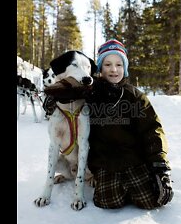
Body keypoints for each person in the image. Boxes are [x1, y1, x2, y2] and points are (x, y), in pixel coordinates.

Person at [44, 39, 173, 209]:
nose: (113, 69)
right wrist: (53, 99)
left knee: (151, 200)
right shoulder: (90, 92)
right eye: (108, 64)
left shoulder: (134, 96)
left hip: (133, 159)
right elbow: (62, 99)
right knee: (108, 201)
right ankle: (123, 186)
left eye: (119, 65)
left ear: (124, 68)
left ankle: (140, 182)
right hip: (105, 162)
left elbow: (152, 130)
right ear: (100, 69)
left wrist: (160, 166)